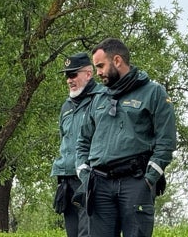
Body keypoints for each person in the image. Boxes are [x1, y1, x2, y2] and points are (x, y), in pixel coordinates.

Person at [76, 38, 177, 237]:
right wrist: (85, 174)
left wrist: (149, 180)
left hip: (136, 181)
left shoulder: (153, 93)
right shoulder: (98, 99)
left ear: (117, 61)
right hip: (100, 185)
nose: (98, 73)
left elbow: (166, 141)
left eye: (101, 66)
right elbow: (83, 141)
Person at [51, 52, 106, 237]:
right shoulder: (65, 106)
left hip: (90, 178)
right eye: (67, 75)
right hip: (67, 178)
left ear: (88, 74)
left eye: (73, 74)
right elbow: (64, 141)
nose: (69, 80)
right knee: (73, 233)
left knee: (88, 233)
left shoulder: (101, 98)